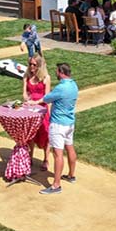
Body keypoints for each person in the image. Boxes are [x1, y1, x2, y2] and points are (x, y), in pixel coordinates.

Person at [35, 63, 78, 195]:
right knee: (70, 148)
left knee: (57, 154)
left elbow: (46, 99)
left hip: (58, 124)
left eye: (57, 71)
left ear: (60, 72)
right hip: (70, 123)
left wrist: (33, 102)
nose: (55, 73)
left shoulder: (61, 88)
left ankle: (56, 185)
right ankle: (71, 175)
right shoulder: (74, 85)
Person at [22, 54, 51, 171]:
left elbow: (47, 96)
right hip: (30, 108)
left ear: (39, 65)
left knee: (45, 134)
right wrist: (27, 99)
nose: (32, 66)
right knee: (30, 135)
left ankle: (46, 159)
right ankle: (30, 157)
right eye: (30, 64)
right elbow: (24, 93)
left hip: (42, 108)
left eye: (34, 64)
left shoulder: (45, 77)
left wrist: (39, 104)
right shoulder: (26, 76)